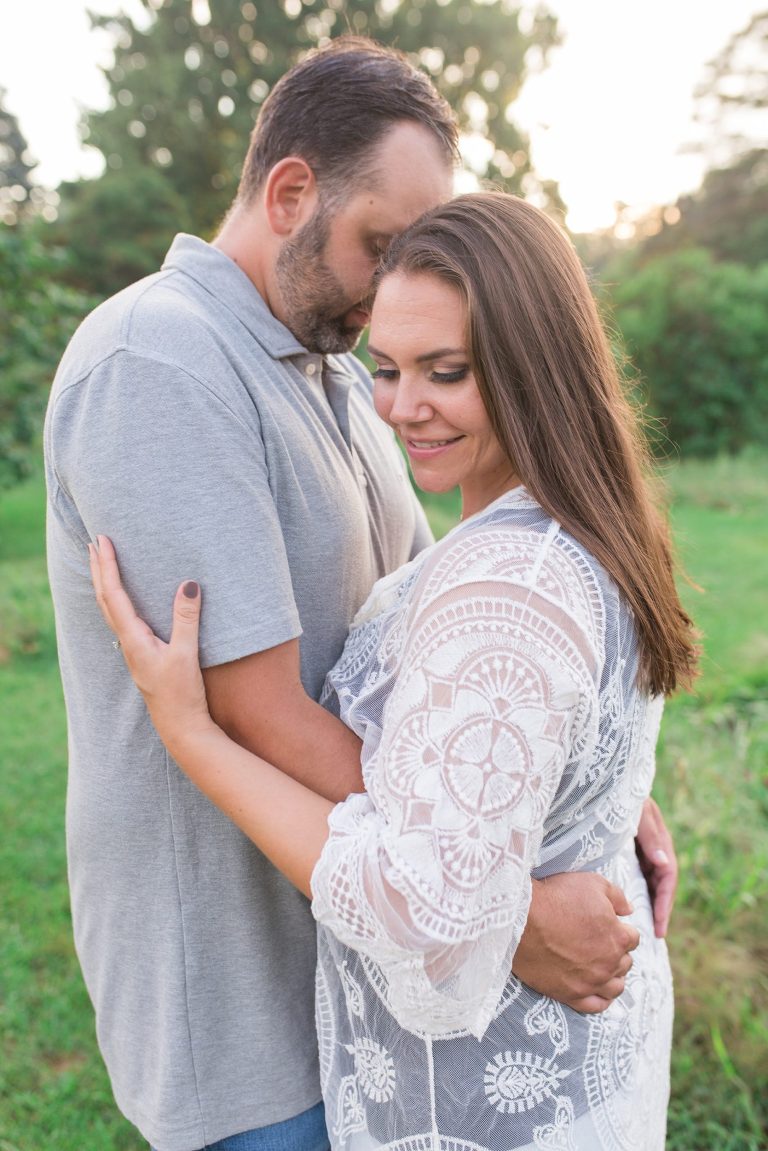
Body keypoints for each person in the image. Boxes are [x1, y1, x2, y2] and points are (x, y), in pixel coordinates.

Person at [46, 35, 676, 1151]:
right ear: (292, 192)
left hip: (375, 968)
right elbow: (253, 705)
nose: (396, 290)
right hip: (247, 999)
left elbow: (457, 630)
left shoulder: (349, 368)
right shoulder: (161, 359)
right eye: (381, 244)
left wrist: (589, 786)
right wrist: (504, 910)